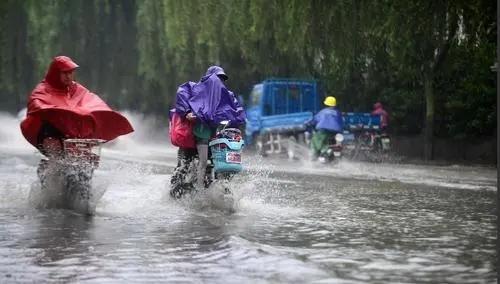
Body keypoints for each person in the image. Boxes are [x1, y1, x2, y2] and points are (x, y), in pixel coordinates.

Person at [20, 55, 134, 180]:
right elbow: (36, 103)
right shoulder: (43, 89)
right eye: (65, 73)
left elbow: (92, 102)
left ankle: (82, 193)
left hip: (73, 135)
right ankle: (48, 179)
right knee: (56, 155)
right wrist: (56, 111)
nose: (69, 76)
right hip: (49, 131)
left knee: (85, 162)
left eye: (71, 73)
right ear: (55, 73)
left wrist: (97, 115)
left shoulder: (76, 89)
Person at [170, 65, 245, 197]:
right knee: (183, 165)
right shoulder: (194, 89)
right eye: (218, 78)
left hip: (213, 139)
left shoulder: (226, 95)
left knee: (223, 164)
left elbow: (236, 111)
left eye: (222, 79)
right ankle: (176, 189)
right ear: (209, 78)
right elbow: (182, 96)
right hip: (192, 139)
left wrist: (234, 123)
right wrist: (188, 112)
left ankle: (222, 189)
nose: (219, 81)